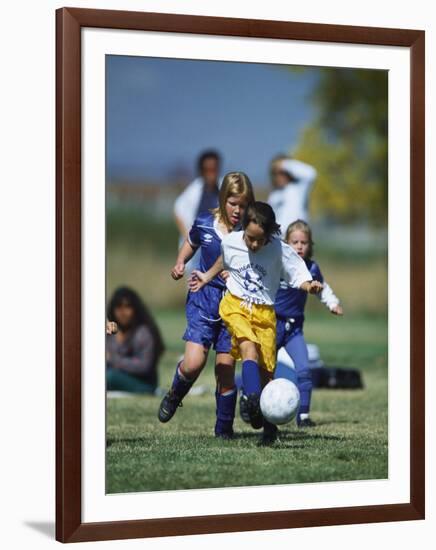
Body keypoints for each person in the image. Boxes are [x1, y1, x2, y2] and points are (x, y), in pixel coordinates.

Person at [190, 202, 322, 445]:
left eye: (259, 240)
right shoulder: (232, 241)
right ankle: (252, 399)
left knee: (267, 374)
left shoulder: (279, 250)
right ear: (243, 230)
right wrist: (207, 277)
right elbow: (224, 258)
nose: (253, 244)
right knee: (247, 346)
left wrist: (309, 286)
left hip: (264, 314)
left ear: (269, 234)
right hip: (236, 306)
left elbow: (298, 275)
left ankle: (269, 429)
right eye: (250, 238)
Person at [158, 172, 255, 439]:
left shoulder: (250, 232)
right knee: (192, 363)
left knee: (225, 371)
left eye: (243, 205)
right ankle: (175, 394)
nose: (238, 210)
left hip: (233, 307)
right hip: (203, 298)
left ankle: (223, 430)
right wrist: (180, 263)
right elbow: (191, 243)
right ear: (223, 199)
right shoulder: (204, 223)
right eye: (233, 203)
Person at [274, 220, 343, 427]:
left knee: (304, 369)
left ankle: (303, 416)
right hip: (272, 326)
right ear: (286, 243)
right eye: (294, 242)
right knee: (265, 370)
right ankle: (258, 408)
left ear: (310, 244)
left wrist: (333, 303)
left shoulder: (312, 268)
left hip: (294, 330)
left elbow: (322, 288)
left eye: (304, 242)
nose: (299, 246)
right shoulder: (279, 264)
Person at [106, 287, 165, 394]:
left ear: (135, 309)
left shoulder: (143, 333)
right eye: (118, 307)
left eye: (127, 307)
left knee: (108, 377)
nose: (122, 312)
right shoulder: (110, 330)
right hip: (116, 376)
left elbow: (144, 366)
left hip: (144, 384)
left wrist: (113, 359)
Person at [267, 155, 317, 237]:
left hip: (297, 238)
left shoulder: (298, 188)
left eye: (283, 173)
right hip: (279, 240)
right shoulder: (273, 195)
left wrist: (284, 164)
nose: (279, 176)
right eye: (276, 173)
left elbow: (311, 173)